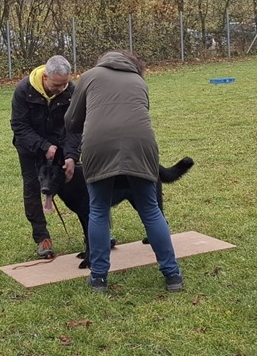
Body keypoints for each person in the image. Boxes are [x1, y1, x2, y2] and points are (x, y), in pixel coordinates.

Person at [64, 50, 183, 293]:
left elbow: (71, 121)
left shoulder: (89, 76)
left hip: (99, 145)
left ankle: (98, 278)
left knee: (98, 210)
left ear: (102, 61)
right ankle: (172, 275)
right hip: (141, 145)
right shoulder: (139, 80)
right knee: (150, 209)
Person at [10, 55, 80, 259]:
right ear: (45, 77)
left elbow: (76, 126)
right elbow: (19, 126)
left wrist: (72, 156)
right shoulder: (24, 90)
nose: (61, 88)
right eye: (57, 85)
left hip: (62, 145)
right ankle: (42, 238)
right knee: (33, 188)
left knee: (81, 184)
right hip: (30, 148)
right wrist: (44, 146)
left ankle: (95, 233)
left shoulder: (71, 90)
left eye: (65, 84)